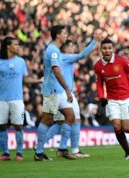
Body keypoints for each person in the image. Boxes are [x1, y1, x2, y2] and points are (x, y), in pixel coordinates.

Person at [0, 36, 42, 161]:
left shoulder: (20, 61)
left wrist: (38, 80)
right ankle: (5, 153)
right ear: (8, 46)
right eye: (15, 44)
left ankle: (19, 153)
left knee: (18, 126)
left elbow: (25, 79)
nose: (18, 46)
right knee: (2, 126)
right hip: (1, 100)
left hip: (17, 100)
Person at [45, 30, 102, 158]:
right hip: (61, 94)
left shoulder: (66, 59)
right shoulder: (64, 57)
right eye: (70, 46)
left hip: (66, 93)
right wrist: (94, 41)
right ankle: (47, 145)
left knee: (73, 120)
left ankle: (73, 149)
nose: (72, 47)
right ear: (65, 48)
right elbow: (82, 55)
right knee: (63, 122)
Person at [34, 25, 76, 161]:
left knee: (70, 116)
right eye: (64, 33)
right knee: (47, 119)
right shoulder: (53, 50)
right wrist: (68, 90)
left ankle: (62, 148)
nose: (66, 35)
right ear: (58, 35)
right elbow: (57, 72)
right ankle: (39, 152)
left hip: (58, 90)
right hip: (52, 90)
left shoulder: (55, 50)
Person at [94, 38, 129, 160]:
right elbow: (99, 83)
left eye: (109, 48)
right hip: (112, 100)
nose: (107, 50)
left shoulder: (122, 60)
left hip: (126, 98)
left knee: (127, 128)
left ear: (113, 49)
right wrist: (101, 98)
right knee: (116, 126)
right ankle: (128, 152)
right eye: (104, 48)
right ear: (101, 50)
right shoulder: (98, 66)